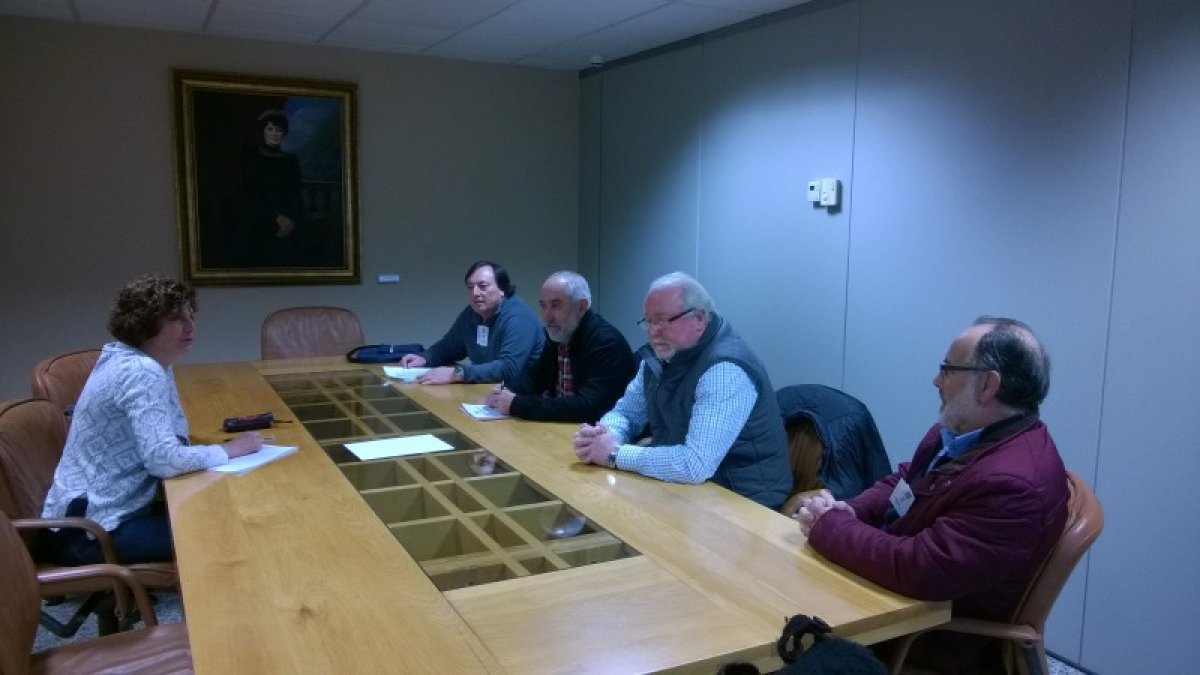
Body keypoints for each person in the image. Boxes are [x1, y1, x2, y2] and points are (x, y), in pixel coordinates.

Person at [797, 317, 1069, 673]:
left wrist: (831, 527)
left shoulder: (1013, 486)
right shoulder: (964, 433)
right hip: (889, 595)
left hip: (925, 638)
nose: (936, 380)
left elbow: (919, 568)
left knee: (782, 630)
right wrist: (851, 510)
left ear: (988, 385)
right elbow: (907, 480)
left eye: (947, 369)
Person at [41, 277, 262, 565]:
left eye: (191, 315)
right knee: (230, 531)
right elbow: (163, 460)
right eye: (176, 318)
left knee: (221, 514)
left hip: (99, 515)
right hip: (89, 530)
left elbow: (173, 438)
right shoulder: (141, 371)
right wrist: (230, 449)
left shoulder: (133, 358)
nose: (190, 326)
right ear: (143, 324)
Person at [572, 272, 792, 509]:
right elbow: (626, 413)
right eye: (649, 322)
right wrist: (607, 435)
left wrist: (614, 454)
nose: (653, 332)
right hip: (689, 487)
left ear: (698, 319)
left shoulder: (725, 368)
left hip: (743, 501)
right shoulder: (660, 356)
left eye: (662, 321)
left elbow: (695, 464)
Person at [485, 271, 637, 423]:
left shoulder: (606, 343)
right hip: (564, 428)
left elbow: (588, 407)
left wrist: (516, 404)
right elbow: (535, 379)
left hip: (596, 431)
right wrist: (506, 391)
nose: (547, 316)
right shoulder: (560, 334)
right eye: (543, 306)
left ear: (581, 306)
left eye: (555, 306)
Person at [401, 261, 544, 388]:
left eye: (482, 286)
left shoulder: (519, 318)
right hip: (488, 391)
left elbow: (507, 368)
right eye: (470, 287)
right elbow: (449, 347)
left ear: (502, 289)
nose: (475, 293)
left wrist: (457, 373)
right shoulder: (472, 313)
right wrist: (425, 358)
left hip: (523, 396)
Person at [231, 109, 305, 267]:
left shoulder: (291, 160)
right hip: (258, 217)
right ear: (263, 132)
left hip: (288, 220)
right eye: (270, 129)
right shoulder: (251, 157)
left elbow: (296, 193)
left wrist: (291, 220)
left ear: (283, 133)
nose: (274, 133)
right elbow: (251, 191)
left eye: (278, 130)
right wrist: (277, 217)